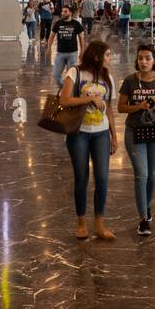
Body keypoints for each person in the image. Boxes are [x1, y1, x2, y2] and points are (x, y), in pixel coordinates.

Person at [58, 40, 118, 241]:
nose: (110, 59)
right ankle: (81, 221)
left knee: (102, 178)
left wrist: (114, 135)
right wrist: (89, 99)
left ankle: (99, 223)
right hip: (78, 133)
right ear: (96, 56)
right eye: (107, 55)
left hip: (101, 133)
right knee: (81, 178)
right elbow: (64, 100)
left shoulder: (108, 77)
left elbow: (108, 108)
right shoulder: (75, 73)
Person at [118, 44, 155, 237]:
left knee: (152, 174)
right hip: (134, 132)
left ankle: (148, 208)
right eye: (141, 58)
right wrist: (139, 106)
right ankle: (142, 219)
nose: (143, 62)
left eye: (148, 58)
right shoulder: (129, 81)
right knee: (141, 174)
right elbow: (121, 108)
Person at [47, 4, 85, 85]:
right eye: (62, 11)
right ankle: (63, 88)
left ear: (70, 13)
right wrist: (49, 48)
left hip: (72, 53)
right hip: (60, 53)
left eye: (65, 11)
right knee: (56, 75)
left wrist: (82, 51)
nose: (62, 13)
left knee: (71, 76)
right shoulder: (58, 23)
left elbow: (81, 38)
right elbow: (52, 36)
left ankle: (69, 92)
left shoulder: (76, 24)